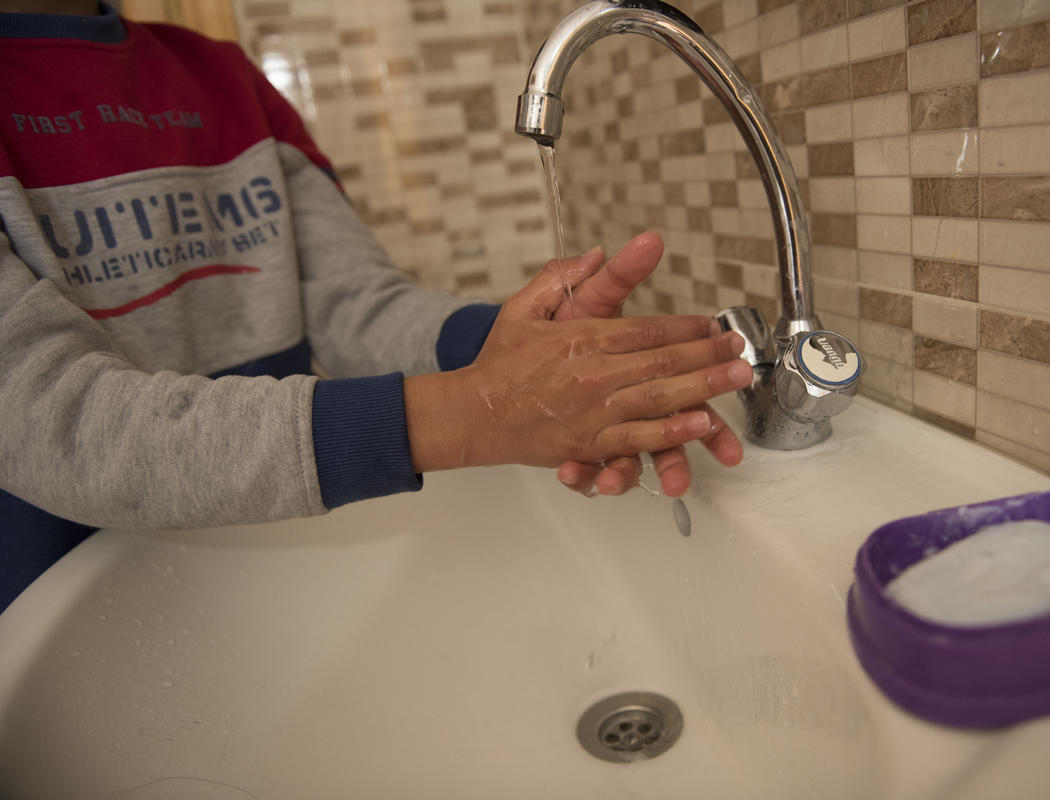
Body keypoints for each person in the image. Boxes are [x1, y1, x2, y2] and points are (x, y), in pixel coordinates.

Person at [0, 1, 751, 611]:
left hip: (266, 560)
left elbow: (352, 304)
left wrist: (530, 353)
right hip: (63, 617)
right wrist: (479, 408)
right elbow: (54, 420)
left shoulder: (221, 80)